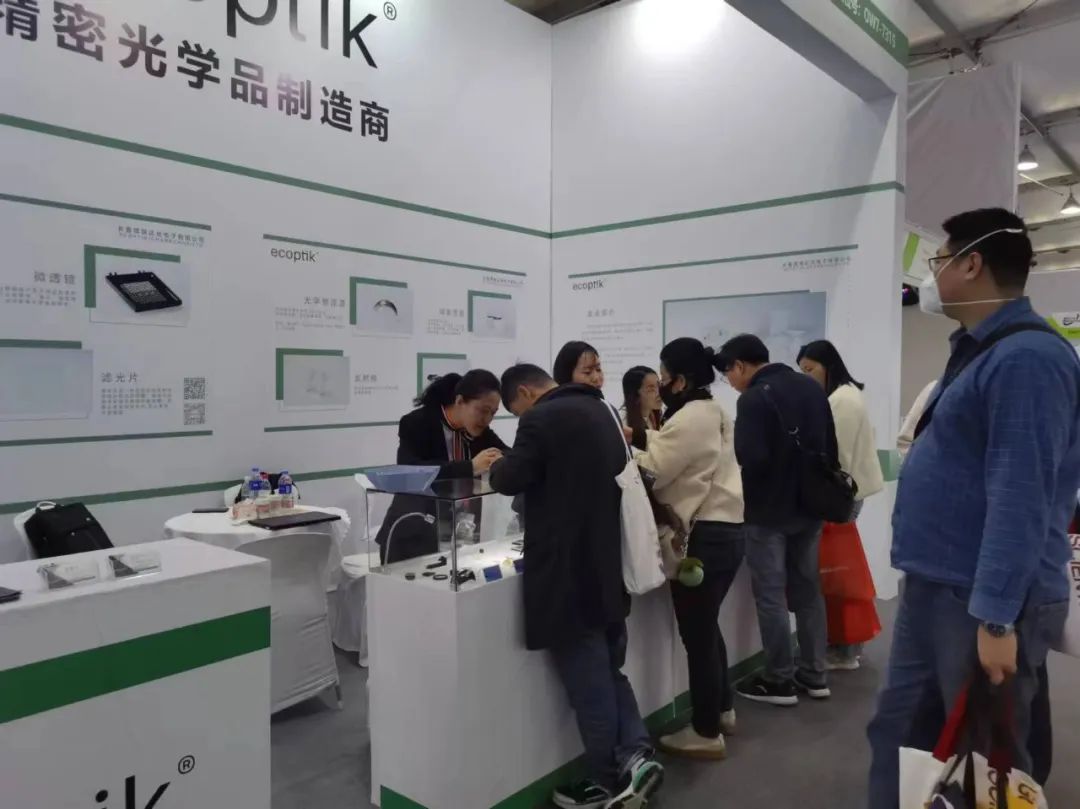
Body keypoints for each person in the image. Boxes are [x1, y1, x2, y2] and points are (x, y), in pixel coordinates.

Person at [866, 208, 1080, 808]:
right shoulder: (981, 350)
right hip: (938, 584)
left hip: (977, 598)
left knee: (986, 759)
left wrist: (995, 619)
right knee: (901, 731)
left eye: (938, 260)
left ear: (972, 264)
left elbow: (1021, 495)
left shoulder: (1027, 358)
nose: (931, 276)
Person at [490, 364, 663, 809]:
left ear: (525, 393)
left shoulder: (540, 419)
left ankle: (607, 782)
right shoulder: (601, 409)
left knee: (590, 686)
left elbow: (510, 479)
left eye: (515, 410)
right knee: (611, 671)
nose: (519, 416)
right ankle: (637, 756)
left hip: (566, 574)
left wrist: (496, 465)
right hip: (607, 563)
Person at [632, 339, 744, 760]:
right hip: (728, 531)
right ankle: (723, 710)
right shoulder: (713, 410)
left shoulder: (690, 417)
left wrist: (624, 453)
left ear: (679, 379)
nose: (659, 386)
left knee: (697, 637)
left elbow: (655, 471)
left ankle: (705, 731)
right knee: (708, 627)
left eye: (662, 377)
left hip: (702, 540)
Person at [716, 333, 838, 706]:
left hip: (768, 511)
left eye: (728, 373)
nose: (730, 382)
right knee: (808, 591)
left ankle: (779, 679)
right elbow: (830, 445)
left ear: (740, 366)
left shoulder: (754, 399)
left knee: (770, 595)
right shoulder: (810, 387)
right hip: (811, 507)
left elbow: (750, 457)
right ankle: (815, 675)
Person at [797, 340, 885, 670]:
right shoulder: (842, 396)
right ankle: (844, 646)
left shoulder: (843, 400)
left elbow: (838, 455)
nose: (806, 377)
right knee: (840, 574)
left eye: (810, 369)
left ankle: (845, 650)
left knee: (838, 576)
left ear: (828, 366)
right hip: (843, 494)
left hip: (839, 497)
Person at [374, 371, 507, 562]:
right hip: (413, 532)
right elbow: (409, 471)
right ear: (460, 401)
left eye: (493, 413)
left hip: (457, 533)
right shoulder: (418, 422)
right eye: (483, 410)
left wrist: (501, 459)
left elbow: (507, 452)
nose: (487, 419)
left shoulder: (480, 430)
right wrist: (469, 467)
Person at [620, 366, 662, 450]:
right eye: (651, 389)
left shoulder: (656, 417)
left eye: (659, 386)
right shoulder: (622, 421)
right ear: (635, 395)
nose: (659, 393)